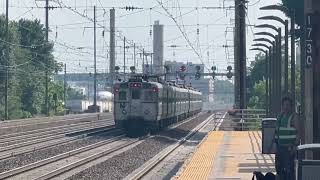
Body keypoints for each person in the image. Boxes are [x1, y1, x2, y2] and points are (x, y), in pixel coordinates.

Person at [275, 97, 301, 180]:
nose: (286, 107)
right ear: (282, 106)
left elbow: (299, 132)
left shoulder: (294, 117)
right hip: (280, 148)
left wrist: (295, 146)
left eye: (288, 105)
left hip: (289, 149)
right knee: (279, 169)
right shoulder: (280, 116)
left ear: (291, 106)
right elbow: (277, 132)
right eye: (284, 105)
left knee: (289, 171)